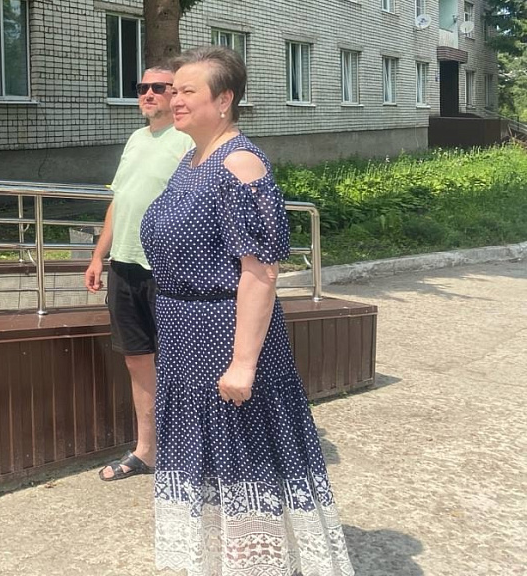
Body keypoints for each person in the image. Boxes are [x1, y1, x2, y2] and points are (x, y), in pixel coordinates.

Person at [140, 45, 353, 574]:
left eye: (188, 91)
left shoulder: (239, 163)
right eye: (173, 90)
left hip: (222, 335)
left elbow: (260, 273)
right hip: (184, 336)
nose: (174, 99)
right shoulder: (192, 160)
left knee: (241, 460)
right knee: (207, 462)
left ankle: (258, 564)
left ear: (224, 100)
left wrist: (243, 363)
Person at [84, 65, 193, 482]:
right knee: (137, 359)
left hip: (168, 268)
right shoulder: (135, 139)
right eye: (142, 87)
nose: (148, 94)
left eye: (158, 88)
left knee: (184, 362)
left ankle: (192, 449)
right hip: (125, 266)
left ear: (176, 94)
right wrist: (99, 256)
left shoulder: (187, 141)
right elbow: (120, 200)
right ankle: (147, 451)